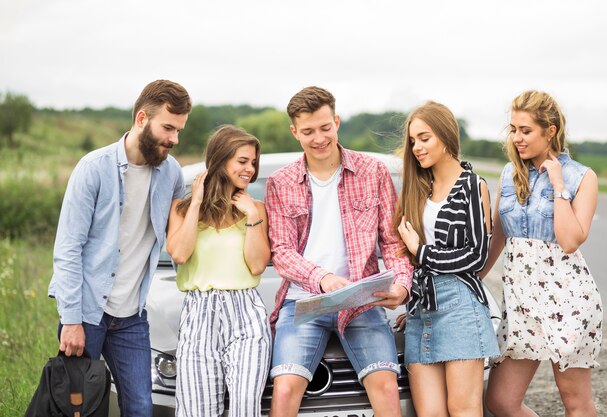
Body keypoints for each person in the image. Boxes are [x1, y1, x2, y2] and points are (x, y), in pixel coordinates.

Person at [265, 86, 412, 417]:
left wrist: (402, 285)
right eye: (308, 131)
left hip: (361, 302)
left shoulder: (372, 172)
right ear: (294, 132)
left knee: (387, 387)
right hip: (303, 303)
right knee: (285, 388)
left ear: (337, 121)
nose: (318, 138)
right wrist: (323, 278)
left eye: (325, 127)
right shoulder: (280, 182)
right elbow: (282, 252)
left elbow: (392, 242)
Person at [48, 79, 192, 416]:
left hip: (132, 317)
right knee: (77, 409)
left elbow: (179, 240)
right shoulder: (93, 169)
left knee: (140, 408)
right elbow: (68, 248)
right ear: (142, 119)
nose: (174, 139)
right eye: (168, 127)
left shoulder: (171, 174)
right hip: (87, 314)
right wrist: (71, 321)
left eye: (179, 130)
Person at [481, 90, 603, 416]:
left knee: (575, 402)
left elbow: (570, 240)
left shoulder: (582, 177)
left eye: (526, 130)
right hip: (522, 304)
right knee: (501, 401)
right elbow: (497, 237)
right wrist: (473, 280)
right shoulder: (510, 174)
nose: (517, 138)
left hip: (568, 301)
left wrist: (558, 185)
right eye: (514, 130)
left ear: (550, 131)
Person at [392, 101, 499, 416]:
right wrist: (412, 300)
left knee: (463, 409)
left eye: (424, 138)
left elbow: (477, 256)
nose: (417, 147)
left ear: (445, 135)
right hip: (421, 311)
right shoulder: (418, 189)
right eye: (413, 141)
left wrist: (422, 252)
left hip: (460, 308)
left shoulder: (472, 186)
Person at [166, 125, 272, 417]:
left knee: (245, 410)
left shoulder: (257, 209)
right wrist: (197, 202)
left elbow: (258, 265)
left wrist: (251, 216)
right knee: (196, 411)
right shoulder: (182, 208)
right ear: (220, 160)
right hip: (199, 314)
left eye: (253, 162)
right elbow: (180, 253)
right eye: (242, 161)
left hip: (246, 314)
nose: (250, 169)